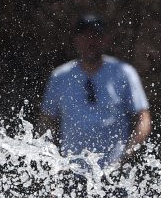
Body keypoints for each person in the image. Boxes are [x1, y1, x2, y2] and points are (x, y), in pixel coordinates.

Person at [40, 14, 151, 169]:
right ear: (76, 40)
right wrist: (51, 160)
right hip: (70, 171)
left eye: (95, 36)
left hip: (113, 172)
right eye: (85, 37)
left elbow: (143, 118)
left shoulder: (124, 73)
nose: (90, 42)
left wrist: (128, 153)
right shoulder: (60, 77)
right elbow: (46, 120)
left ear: (105, 40)